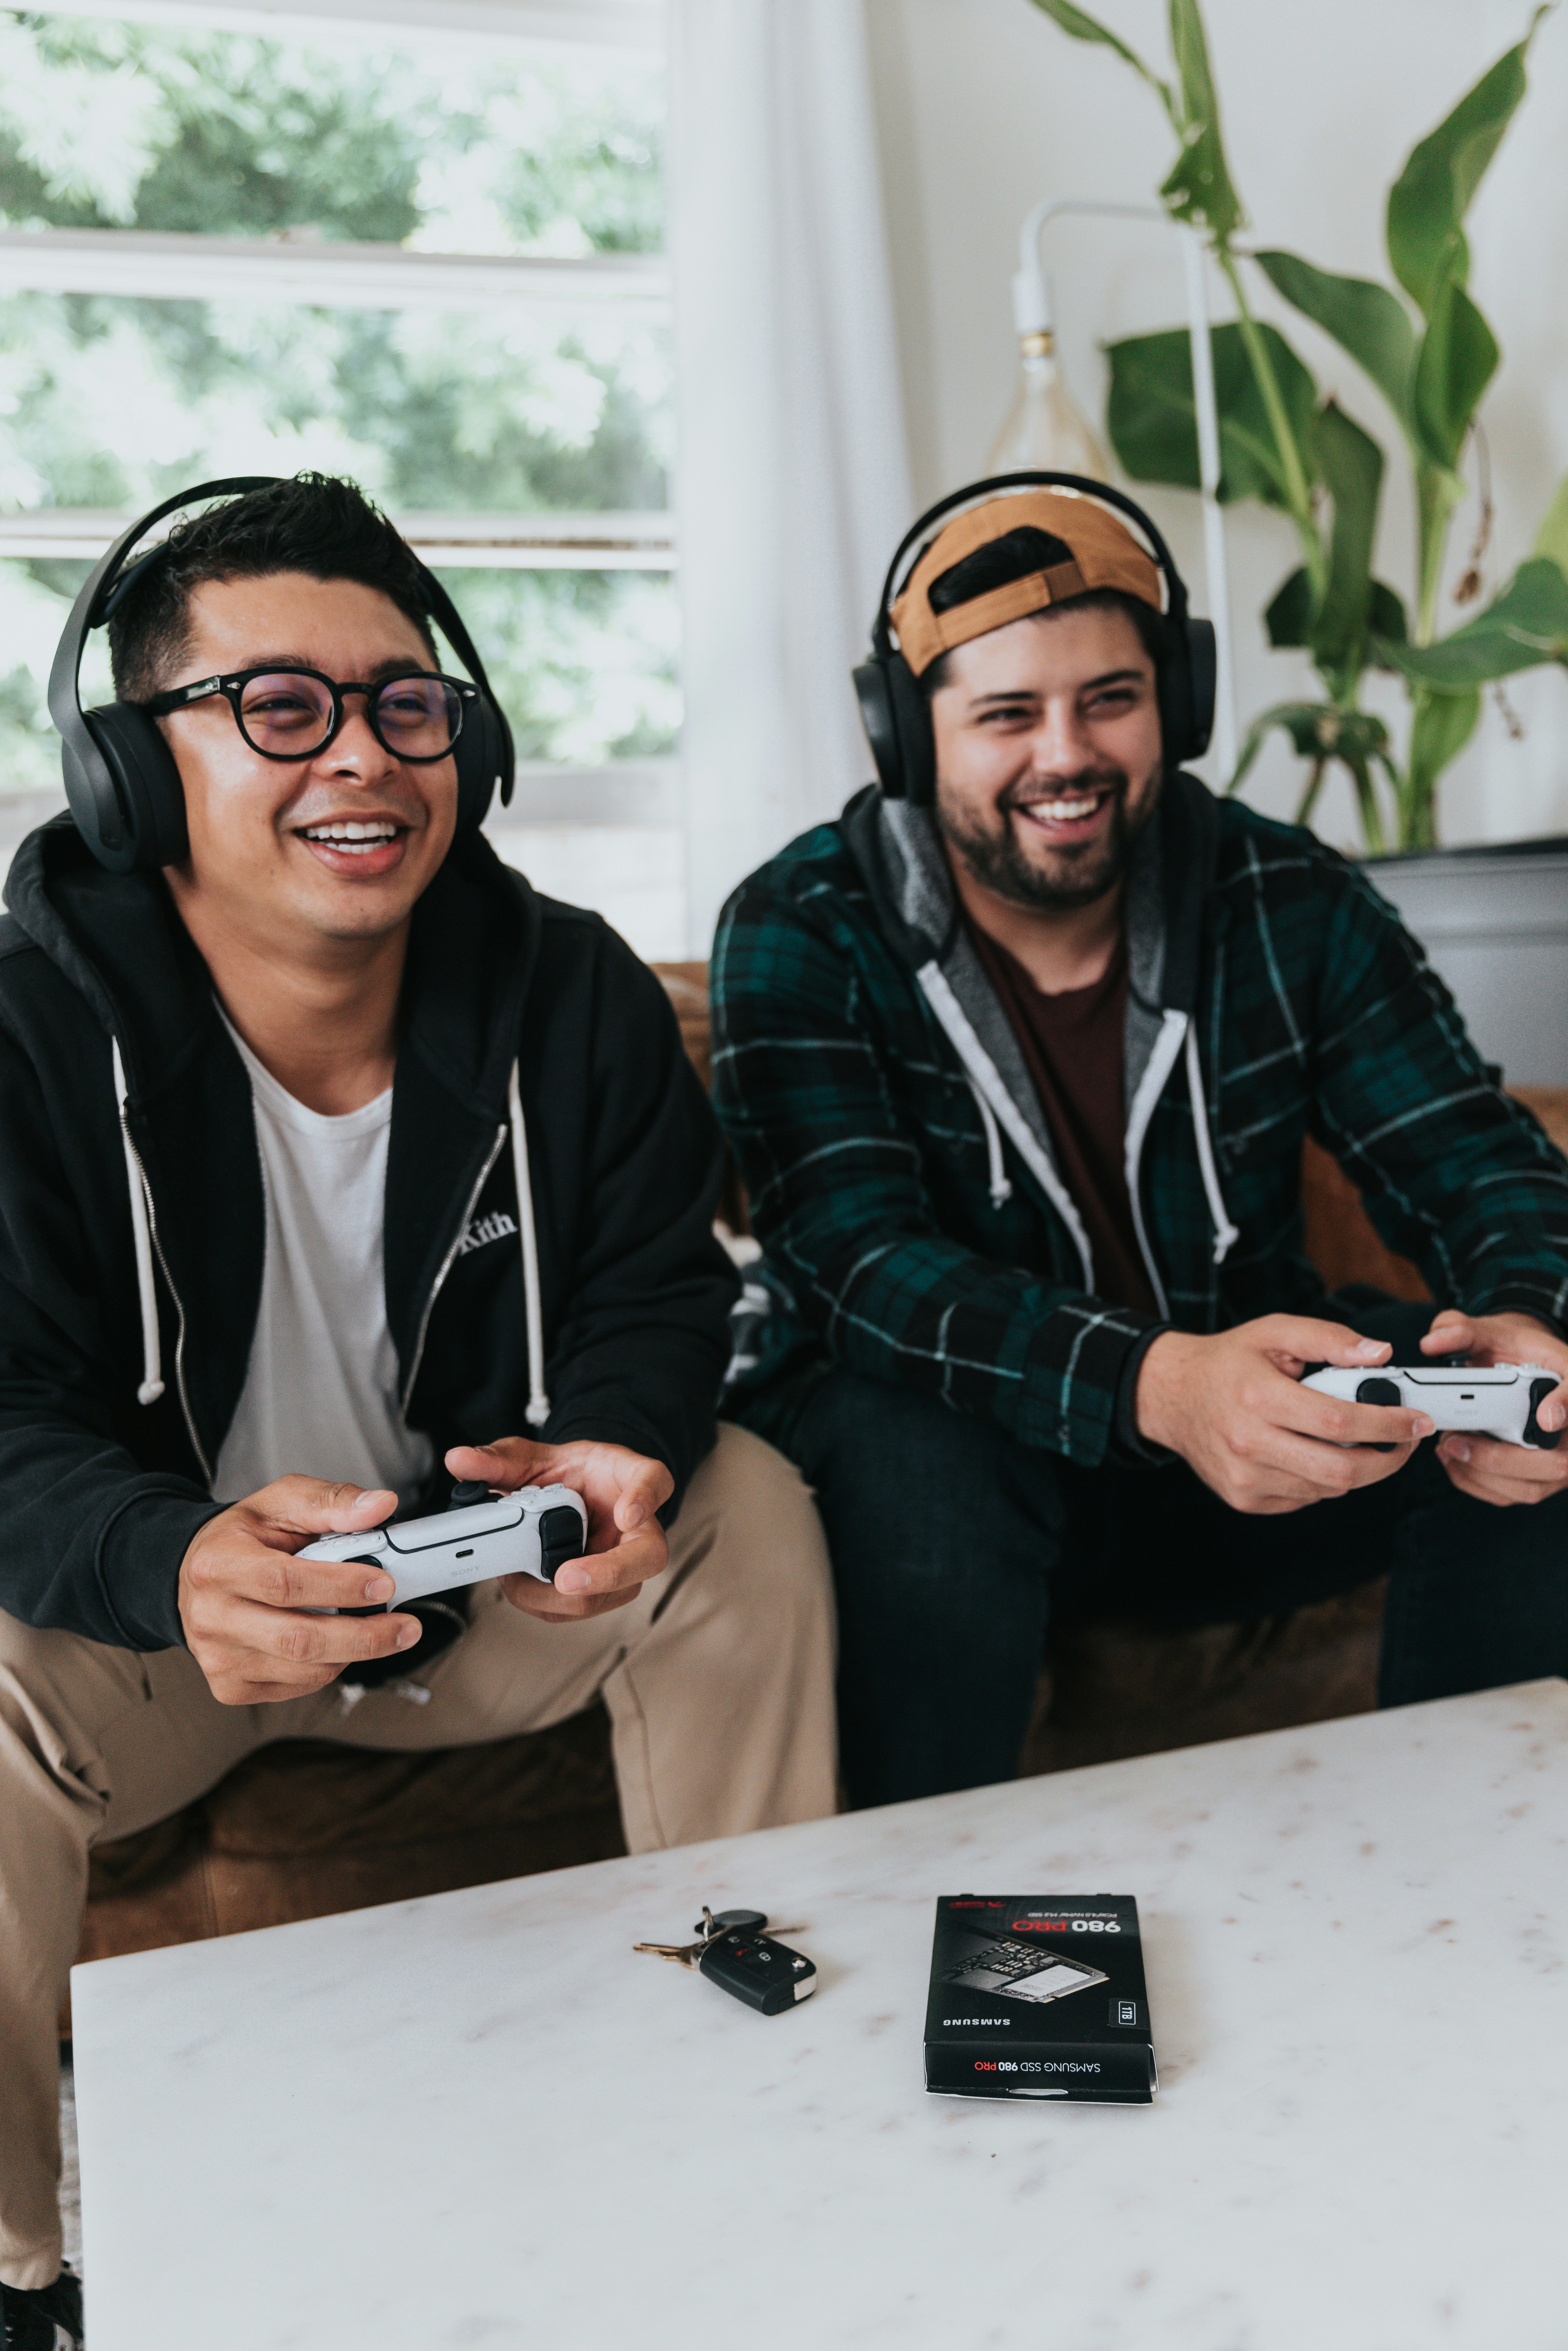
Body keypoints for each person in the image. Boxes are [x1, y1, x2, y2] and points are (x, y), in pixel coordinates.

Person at [0, 474, 836, 2345]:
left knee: (750, 1507)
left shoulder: (570, 990)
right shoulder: (27, 1035)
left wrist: (621, 1442)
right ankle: (27, 2280)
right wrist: (167, 1556)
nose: (363, 755)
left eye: (405, 703)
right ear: (134, 772)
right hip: (167, 1638)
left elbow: (659, 1294)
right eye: (279, 707)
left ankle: (762, 2098)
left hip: (468, 1607)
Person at [710, 472, 1568, 1813]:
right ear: (903, 734)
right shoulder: (800, 923)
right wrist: (1155, 1383)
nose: (1068, 754)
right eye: (1006, 714)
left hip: (1247, 1450)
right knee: (908, 1453)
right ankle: (919, 1924)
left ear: (1176, 699)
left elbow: (1469, 1152)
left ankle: (1465, 1884)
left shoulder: (1287, 894)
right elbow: (856, 1264)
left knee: (1541, 1424)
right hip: (952, 1479)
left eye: (1109, 699)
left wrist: (1523, 1319)